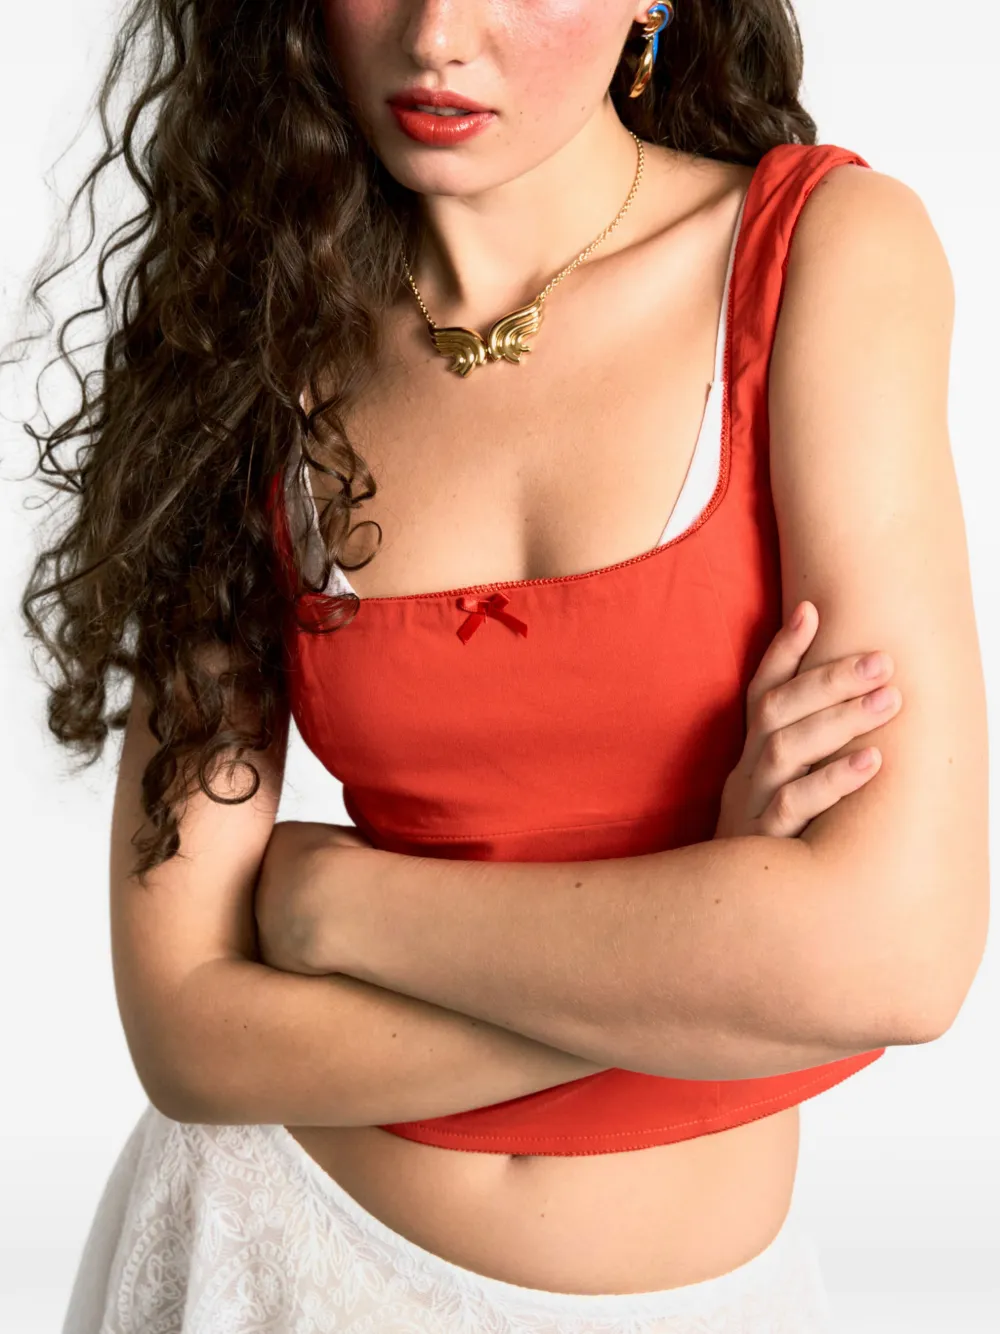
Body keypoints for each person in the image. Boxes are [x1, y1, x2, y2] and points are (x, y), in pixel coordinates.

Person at [7, 2, 986, 1331]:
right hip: (271, 1252)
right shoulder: (257, 327)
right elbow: (188, 1036)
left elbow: (898, 960)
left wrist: (339, 908)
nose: (437, 34)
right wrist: (712, 967)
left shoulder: (820, 252)